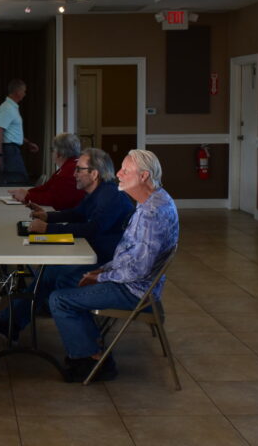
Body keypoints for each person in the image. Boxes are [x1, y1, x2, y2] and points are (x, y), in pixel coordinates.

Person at [0, 147, 133, 339]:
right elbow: (77, 213)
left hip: (107, 263)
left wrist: (47, 229)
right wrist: (47, 217)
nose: (74, 174)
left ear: (94, 173)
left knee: (52, 274)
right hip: (97, 253)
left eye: (79, 170)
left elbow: (92, 228)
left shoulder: (110, 195)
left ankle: (12, 322)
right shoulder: (100, 192)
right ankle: (11, 321)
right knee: (48, 270)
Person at [48, 149, 179, 382]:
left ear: (144, 176)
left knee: (60, 299)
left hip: (134, 291)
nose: (118, 174)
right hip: (133, 282)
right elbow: (131, 254)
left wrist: (100, 277)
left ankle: (90, 361)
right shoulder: (153, 199)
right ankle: (93, 346)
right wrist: (103, 270)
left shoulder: (152, 213)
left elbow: (138, 269)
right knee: (67, 279)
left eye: (125, 170)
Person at [8, 132, 85, 210]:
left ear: (59, 153)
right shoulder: (70, 165)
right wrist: (27, 192)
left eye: (52, 150)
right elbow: (47, 187)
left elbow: (53, 199)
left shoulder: (68, 170)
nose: (52, 153)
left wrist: (27, 196)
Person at [0, 78, 38, 183]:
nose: (24, 94)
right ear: (18, 92)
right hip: (9, 151)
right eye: (24, 91)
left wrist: (28, 143)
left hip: (13, 150)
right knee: (18, 181)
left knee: (18, 180)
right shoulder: (7, 108)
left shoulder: (12, 107)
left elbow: (13, 133)